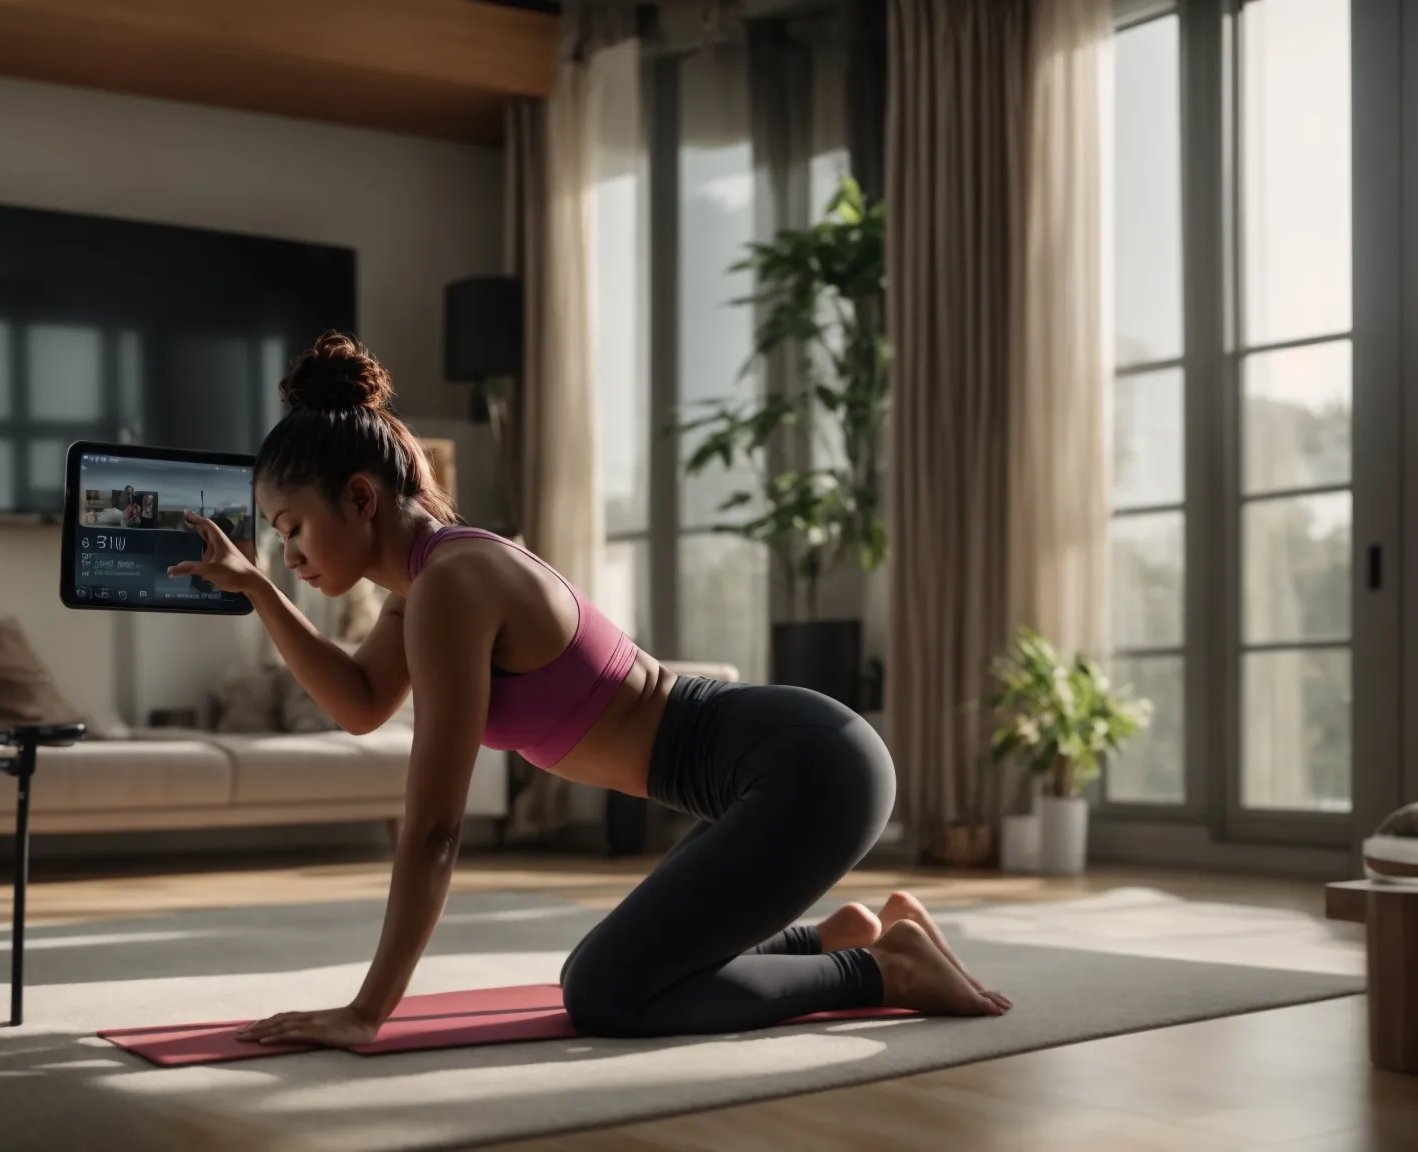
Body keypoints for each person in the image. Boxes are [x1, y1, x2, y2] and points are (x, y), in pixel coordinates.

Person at [166, 332, 1008, 1048]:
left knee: (605, 992)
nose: (292, 556)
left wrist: (367, 1011)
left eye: (292, 531)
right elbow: (359, 705)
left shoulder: (455, 584)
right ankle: (847, 935)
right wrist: (259, 592)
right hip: (785, 765)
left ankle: (882, 970)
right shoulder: (427, 583)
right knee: (615, 976)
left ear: (359, 497)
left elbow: (432, 831)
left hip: (807, 768)